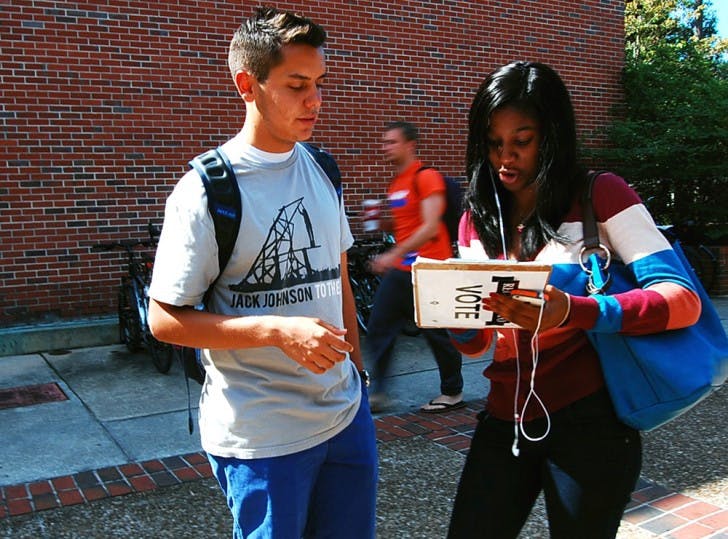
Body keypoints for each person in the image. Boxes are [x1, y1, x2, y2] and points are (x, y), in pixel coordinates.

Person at [147, 8, 377, 538]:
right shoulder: (206, 190)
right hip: (261, 441)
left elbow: (337, 278)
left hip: (345, 420)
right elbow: (163, 319)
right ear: (247, 84)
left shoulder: (323, 168)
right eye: (297, 85)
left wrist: (359, 383)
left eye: (319, 84)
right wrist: (275, 330)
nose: (314, 100)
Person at [446, 61, 701, 538]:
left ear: (554, 135)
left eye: (522, 141)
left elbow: (683, 299)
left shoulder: (600, 195)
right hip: (505, 420)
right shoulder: (476, 219)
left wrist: (573, 310)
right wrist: (451, 316)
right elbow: (480, 344)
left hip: (593, 425)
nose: (506, 158)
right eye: (494, 142)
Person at [366, 120, 464, 413]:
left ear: (409, 145)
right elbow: (406, 226)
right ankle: (379, 393)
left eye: (391, 142)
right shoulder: (397, 184)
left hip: (428, 269)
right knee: (378, 327)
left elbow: (430, 226)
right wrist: (380, 223)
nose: (385, 147)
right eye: (384, 142)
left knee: (436, 333)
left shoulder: (427, 176)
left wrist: (390, 254)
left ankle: (452, 392)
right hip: (402, 270)